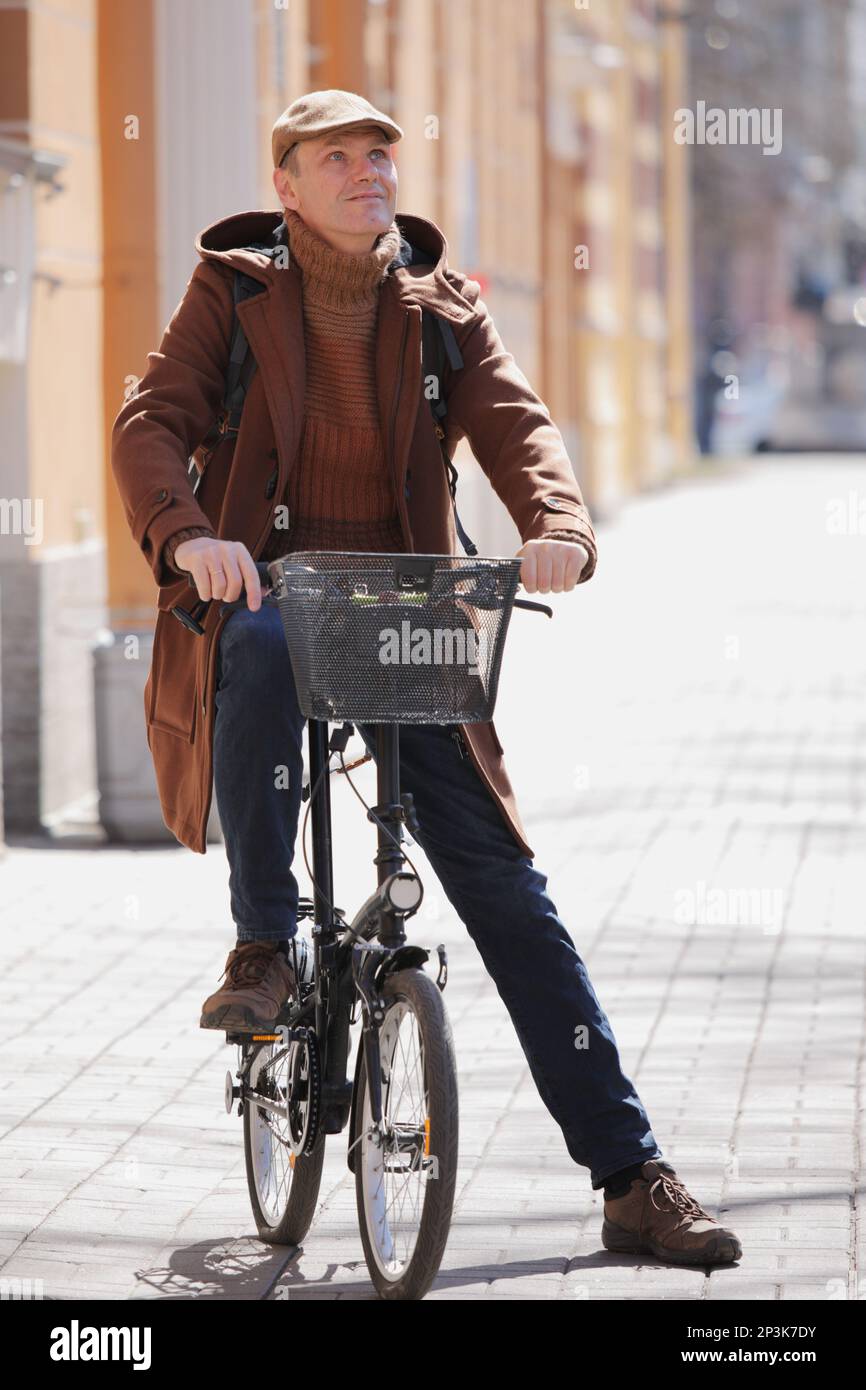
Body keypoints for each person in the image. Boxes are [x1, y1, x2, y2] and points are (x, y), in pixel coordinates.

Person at [111, 90, 742, 1267]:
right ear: (288, 185)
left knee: (508, 896)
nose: (366, 173)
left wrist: (556, 521)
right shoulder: (230, 293)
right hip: (271, 600)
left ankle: (630, 1174)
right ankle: (263, 944)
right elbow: (151, 420)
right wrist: (192, 531)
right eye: (336, 157)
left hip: (409, 621)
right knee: (246, 645)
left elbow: (514, 419)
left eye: (380, 155)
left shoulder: (442, 307)